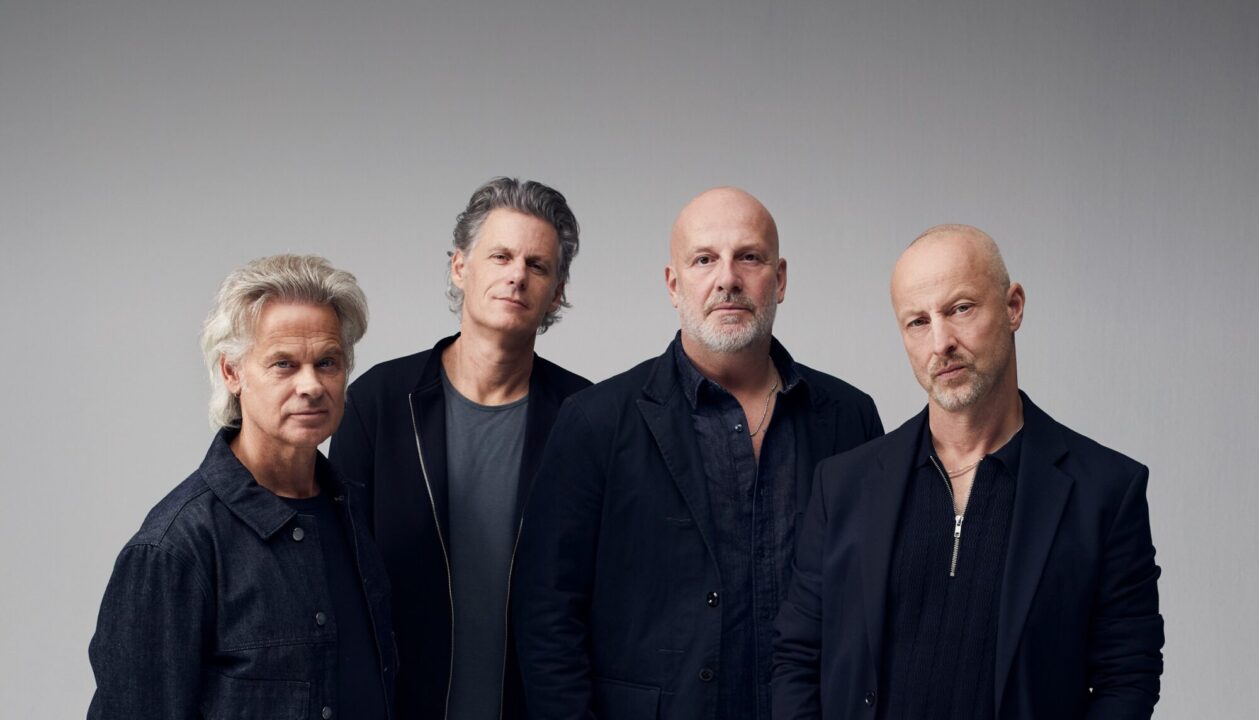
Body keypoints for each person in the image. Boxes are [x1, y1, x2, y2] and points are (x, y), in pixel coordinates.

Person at [513, 187, 883, 720]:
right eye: (704, 259)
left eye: (749, 257)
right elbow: (546, 615)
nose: (727, 279)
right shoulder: (595, 421)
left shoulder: (849, 417)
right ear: (673, 284)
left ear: (779, 279)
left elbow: (871, 604)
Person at [772, 225, 1165, 719]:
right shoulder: (843, 485)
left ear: (1013, 307)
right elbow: (797, 658)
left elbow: (1127, 675)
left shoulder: (1105, 490)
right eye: (918, 322)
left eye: (960, 309)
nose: (942, 342)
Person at [88, 255, 394, 720]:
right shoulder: (174, 549)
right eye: (284, 364)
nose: (311, 385)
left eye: (327, 362)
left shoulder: (350, 511)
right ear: (232, 372)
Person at [330, 177, 590, 720]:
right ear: (460, 267)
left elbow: (603, 594)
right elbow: (341, 583)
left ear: (557, 292)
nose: (516, 275)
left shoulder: (585, 417)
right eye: (500, 256)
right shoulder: (378, 403)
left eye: (537, 265)